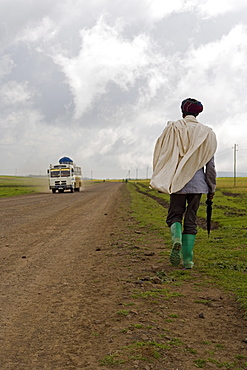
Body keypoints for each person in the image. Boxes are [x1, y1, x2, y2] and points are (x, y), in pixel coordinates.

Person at [150, 98, 217, 268]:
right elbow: (210, 165)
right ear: (198, 113)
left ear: (183, 112)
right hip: (198, 185)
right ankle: (188, 260)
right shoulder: (207, 133)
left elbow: (164, 155)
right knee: (191, 220)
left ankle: (177, 239)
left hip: (177, 183)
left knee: (174, 215)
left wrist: (162, 178)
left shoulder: (173, 128)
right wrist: (211, 187)